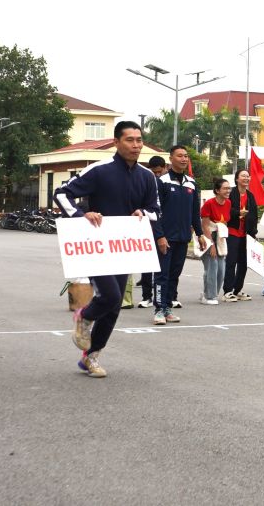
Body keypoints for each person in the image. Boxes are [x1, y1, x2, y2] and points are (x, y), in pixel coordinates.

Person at [54, 121, 161, 378]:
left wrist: (143, 213)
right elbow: (61, 194)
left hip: (124, 248)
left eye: (139, 140)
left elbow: (156, 211)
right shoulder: (99, 170)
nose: (136, 145)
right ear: (116, 142)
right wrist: (81, 215)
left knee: (113, 308)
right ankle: (84, 316)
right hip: (95, 247)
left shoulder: (147, 177)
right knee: (112, 297)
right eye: (129, 140)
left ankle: (91, 357)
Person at [155, 145, 207, 321]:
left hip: (183, 237)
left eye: (186, 156)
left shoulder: (191, 183)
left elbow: (194, 212)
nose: (184, 159)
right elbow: (156, 211)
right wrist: (160, 236)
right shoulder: (162, 181)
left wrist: (199, 234)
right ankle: (159, 310)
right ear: (171, 158)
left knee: (174, 275)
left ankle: (168, 308)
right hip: (165, 238)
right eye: (180, 156)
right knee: (162, 274)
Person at [223, 168, 258, 302]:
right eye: (243, 176)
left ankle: (237, 290)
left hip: (246, 234)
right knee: (231, 262)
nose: (246, 178)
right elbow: (226, 208)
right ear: (237, 179)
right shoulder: (231, 193)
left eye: (248, 176)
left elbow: (254, 215)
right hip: (232, 232)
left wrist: (253, 233)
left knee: (244, 263)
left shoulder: (250, 195)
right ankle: (227, 290)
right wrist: (238, 212)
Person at [137, 155, 168, 308]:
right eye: (153, 172)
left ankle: (165, 298)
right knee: (146, 264)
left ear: (165, 169)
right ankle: (146, 296)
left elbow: (165, 209)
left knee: (161, 267)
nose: (156, 175)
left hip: (161, 228)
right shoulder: (145, 182)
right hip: (146, 227)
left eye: (159, 172)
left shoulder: (165, 184)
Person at [199, 177, 232, 305]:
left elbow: (224, 222)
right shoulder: (209, 204)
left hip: (220, 237)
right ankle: (209, 296)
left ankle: (209, 293)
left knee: (221, 269)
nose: (228, 190)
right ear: (217, 190)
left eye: (229, 188)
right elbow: (205, 226)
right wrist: (211, 244)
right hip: (209, 237)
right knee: (212, 267)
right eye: (225, 188)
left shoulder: (228, 203)